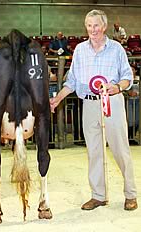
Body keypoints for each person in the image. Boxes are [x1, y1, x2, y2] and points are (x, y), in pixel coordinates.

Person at [50, 9, 138, 211]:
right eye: (89, 26)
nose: (93, 30)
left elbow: (127, 77)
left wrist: (117, 87)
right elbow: (72, 81)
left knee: (120, 150)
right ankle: (98, 196)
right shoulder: (80, 50)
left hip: (112, 102)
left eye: (96, 25)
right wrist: (57, 99)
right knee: (94, 152)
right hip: (89, 104)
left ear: (104, 26)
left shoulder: (116, 49)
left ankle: (130, 194)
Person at [127, 66, 139, 143]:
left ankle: (134, 136)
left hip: (138, 101)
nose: (131, 71)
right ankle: (129, 137)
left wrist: (137, 93)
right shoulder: (126, 79)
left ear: (135, 71)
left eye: (133, 69)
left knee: (137, 119)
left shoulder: (138, 79)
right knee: (130, 119)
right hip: (128, 101)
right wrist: (128, 93)